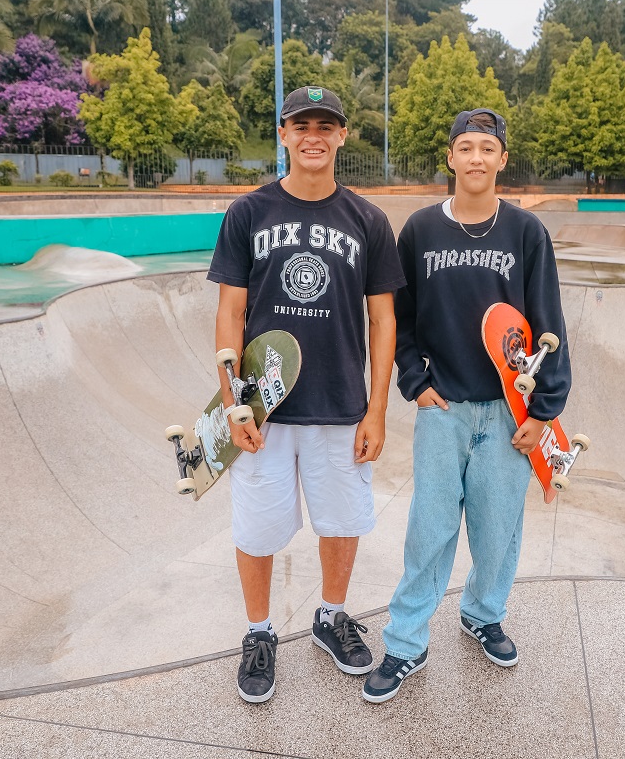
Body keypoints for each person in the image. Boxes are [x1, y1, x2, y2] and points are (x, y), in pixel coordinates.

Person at [362, 108, 571, 703]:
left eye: (488, 147)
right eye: (465, 147)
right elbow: (397, 315)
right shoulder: (421, 231)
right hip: (443, 408)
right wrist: (412, 376)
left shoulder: (527, 233)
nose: (476, 157)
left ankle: (483, 613)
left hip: (509, 409)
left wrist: (544, 410)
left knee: (498, 527)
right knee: (429, 528)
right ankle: (405, 643)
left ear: (503, 159)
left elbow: (548, 320)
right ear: (449, 158)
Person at [208, 86, 405, 704]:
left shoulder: (369, 221)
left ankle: (330, 615)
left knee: (342, 520)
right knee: (258, 527)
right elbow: (230, 311)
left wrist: (377, 409)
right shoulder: (248, 213)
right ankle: (259, 633)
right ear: (284, 133)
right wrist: (231, 400)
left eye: (326, 125)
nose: (313, 135)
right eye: (302, 124)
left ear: (343, 136)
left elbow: (384, 321)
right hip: (265, 404)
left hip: (343, 404)